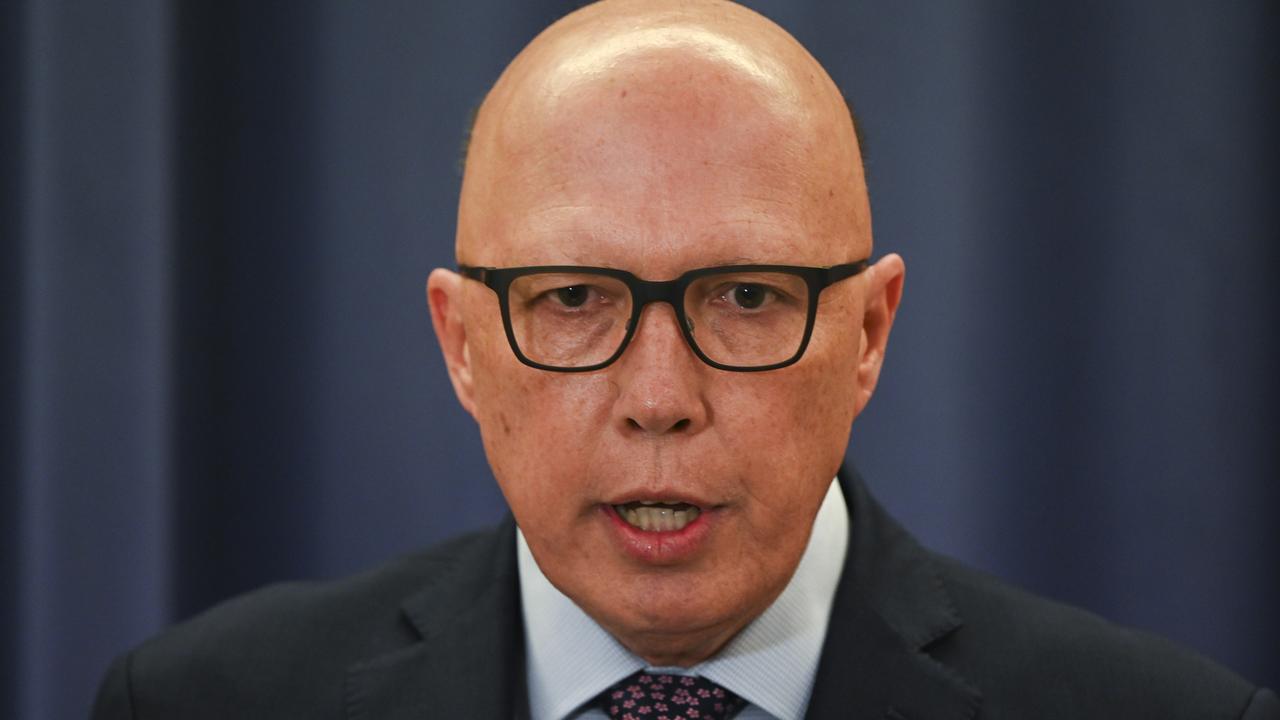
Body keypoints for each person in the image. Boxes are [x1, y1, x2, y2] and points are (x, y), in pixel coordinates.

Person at [93, 1, 1277, 718]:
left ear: (866, 334)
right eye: (569, 300)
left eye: (748, 297)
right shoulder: (200, 704)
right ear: (461, 347)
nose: (658, 401)